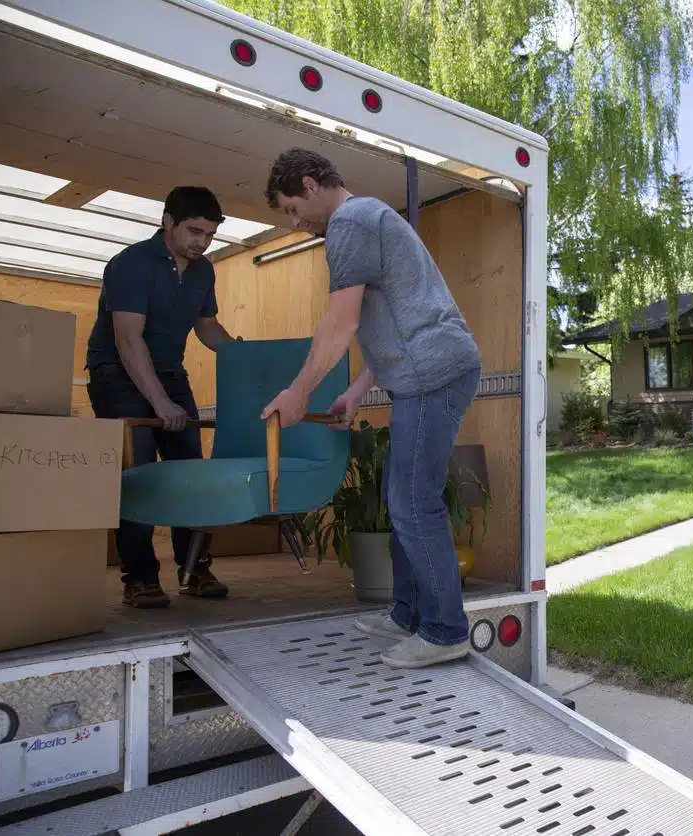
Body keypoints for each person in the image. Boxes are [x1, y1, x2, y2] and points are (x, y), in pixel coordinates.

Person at [260, 148, 482, 670]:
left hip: (433, 375)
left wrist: (298, 393)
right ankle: (407, 614)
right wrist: (358, 391)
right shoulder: (370, 219)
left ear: (311, 185)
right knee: (399, 494)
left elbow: (340, 324)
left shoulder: (350, 222)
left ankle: (445, 630)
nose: (295, 222)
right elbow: (390, 321)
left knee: (412, 500)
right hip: (425, 372)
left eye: (293, 208)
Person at [86, 186, 239, 609]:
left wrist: (245, 356)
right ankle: (140, 578)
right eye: (194, 231)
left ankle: (194, 570)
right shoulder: (131, 264)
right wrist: (160, 404)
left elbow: (207, 327)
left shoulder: (203, 270)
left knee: (188, 472)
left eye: (209, 235)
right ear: (167, 220)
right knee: (138, 475)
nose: (201, 242)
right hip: (118, 373)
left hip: (170, 372)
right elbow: (128, 340)